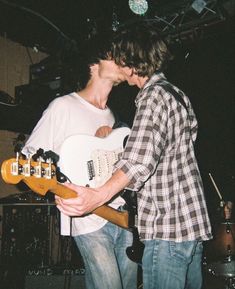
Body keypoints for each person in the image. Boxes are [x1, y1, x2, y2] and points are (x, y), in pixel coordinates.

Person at [56, 21, 213, 289]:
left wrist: (97, 195)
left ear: (131, 62)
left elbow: (139, 162)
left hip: (167, 229)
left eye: (120, 58)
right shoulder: (177, 95)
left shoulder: (151, 97)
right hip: (191, 227)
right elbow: (180, 141)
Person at [22, 38, 138, 289]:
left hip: (122, 212)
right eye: (112, 55)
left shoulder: (113, 117)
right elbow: (30, 155)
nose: (122, 61)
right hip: (87, 217)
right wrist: (53, 181)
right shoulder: (63, 106)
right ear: (94, 65)